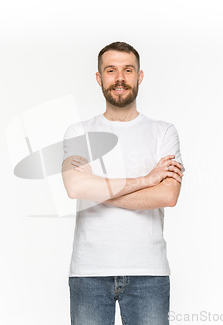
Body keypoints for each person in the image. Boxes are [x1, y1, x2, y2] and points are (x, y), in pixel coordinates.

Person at [61, 41, 185, 325]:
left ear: (139, 77)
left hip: (148, 270)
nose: (119, 78)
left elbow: (167, 195)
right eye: (111, 70)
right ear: (99, 78)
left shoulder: (163, 132)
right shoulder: (80, 131)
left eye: (128, 70)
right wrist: (146, 180)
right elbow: (75, 188)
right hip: (89, 271)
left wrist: (97, 188)